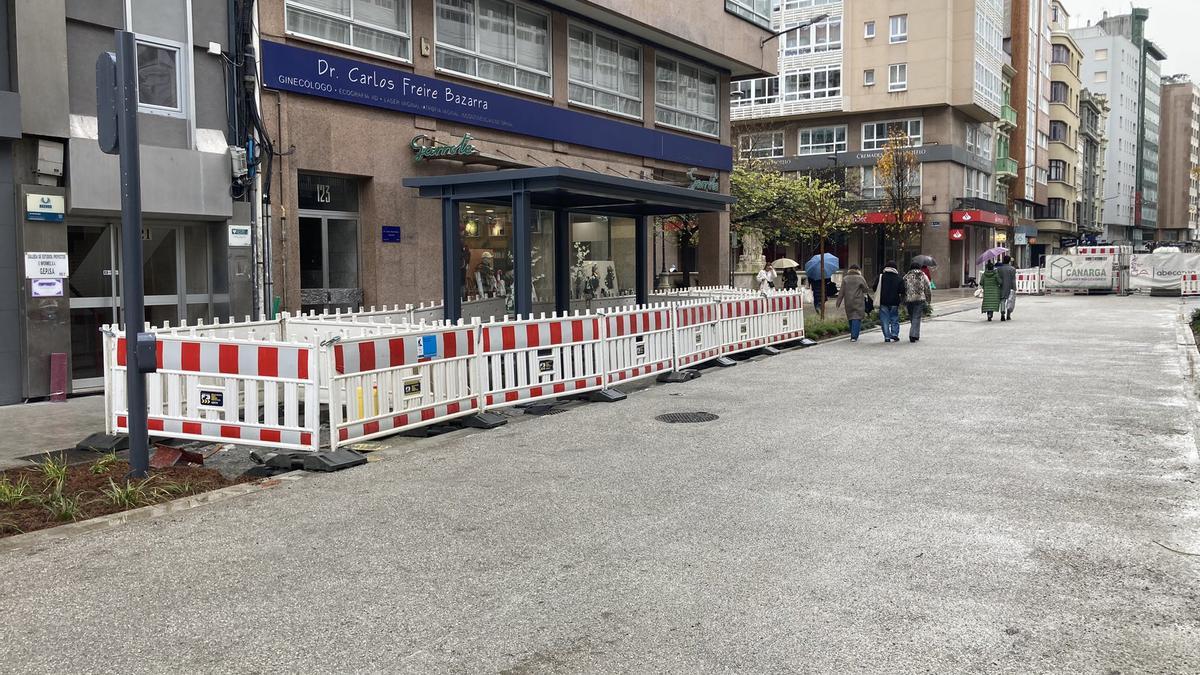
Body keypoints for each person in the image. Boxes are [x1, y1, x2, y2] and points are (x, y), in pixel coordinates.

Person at [836, 264, 870, 342]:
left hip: (848, 301)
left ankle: (852, 334)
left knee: (851, 317)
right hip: (858, 301)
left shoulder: (845, 278)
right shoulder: (860, 278)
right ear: (858, 270)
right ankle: (854, 336)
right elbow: (866, 289)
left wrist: (838, 302)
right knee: (856, 318)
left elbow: (841, 291)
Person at [902, 262, 932, 342]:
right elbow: (928, 287)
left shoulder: (906, 276)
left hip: (909, 299)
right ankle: (913, 335)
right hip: (920, 299)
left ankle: (915, 334)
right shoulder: (923, 275)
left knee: (912, 317)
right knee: (916, 317)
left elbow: (903, 288)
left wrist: (903, 299)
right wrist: (928, 299)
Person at [875, 260, 904, 343]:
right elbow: (902, 290)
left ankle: (887, 337)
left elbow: (874, 287)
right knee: (894, 318)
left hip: (883, 301)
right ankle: (894, 334)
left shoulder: (881, 277)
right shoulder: (898, 278)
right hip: (894, 301)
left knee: (884, 319)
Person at [995, 254, 1017, 321]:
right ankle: (1008, 315)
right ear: (1009, 261)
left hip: (1001, 287)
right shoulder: (1013, 269)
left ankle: (1002, 314)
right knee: (1010, 301)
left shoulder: (999, 269)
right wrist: (1014, 287)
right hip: (1010, 286)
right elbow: (1013, 279)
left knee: (1002, 300)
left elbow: (997, 278)